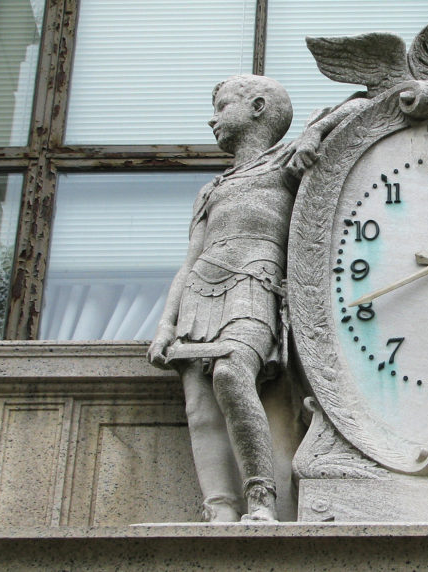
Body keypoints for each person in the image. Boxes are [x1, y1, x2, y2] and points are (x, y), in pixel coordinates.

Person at [148, 74, 305, 523]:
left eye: (221, 105)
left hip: (255, 289)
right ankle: (218, 509)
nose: (212, 118)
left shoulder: (286, 164)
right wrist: (165, 324)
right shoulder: (210, 190)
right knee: (199, 405)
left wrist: (312, 134)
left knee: (232, 374)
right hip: (200, 292)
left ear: (257, 106)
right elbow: (189, 260)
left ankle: (261, 500)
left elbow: (354, 109)